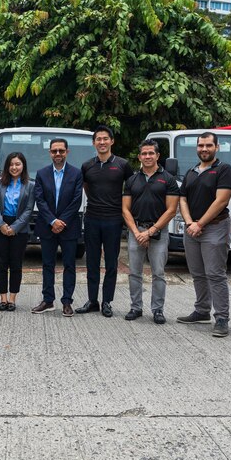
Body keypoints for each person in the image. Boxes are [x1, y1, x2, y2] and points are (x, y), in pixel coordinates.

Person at [176, 132, 231, 338]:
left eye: (208, 145)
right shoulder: (192, 172)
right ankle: (202, 311)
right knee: (198, 273)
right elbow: (182, 198)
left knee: (215, 274)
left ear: (216, 147)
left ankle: (222, 318)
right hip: (192, 229)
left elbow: (221, 201)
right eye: (201, 145)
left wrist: (200, 223)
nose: (204, 149)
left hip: (215, 228)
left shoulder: (224, 169)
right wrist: (190, 223)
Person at [78, 125, 134, 317]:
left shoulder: (123, 165)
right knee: (92, 262)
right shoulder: (87, 166)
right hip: (92, 218)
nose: (102, 142)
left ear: (112, 141)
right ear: (94, 143)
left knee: (111, 263)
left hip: (113, 220)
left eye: (105, 139)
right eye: (98, 139)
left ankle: (107, 301)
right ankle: (92, 300)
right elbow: (86, 187)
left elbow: (131, 188)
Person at [121, 139, 178, 324]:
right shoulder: (131, 180)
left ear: (157, 155)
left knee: (158, 273)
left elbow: (171, 210)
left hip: (158, 231)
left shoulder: (168, 179)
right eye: (144, 153)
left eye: (151, 153)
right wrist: (137, 232)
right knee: (134, 272)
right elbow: (125, 209)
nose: (147, 156)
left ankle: (158, 310)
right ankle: (135, 307)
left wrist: (151, 231)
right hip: (135, 230)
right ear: (139, 157)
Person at [31, 138, 84, 317]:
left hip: (69, 227)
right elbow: (40, 200)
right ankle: (48, 300)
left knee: (69, 265)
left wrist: (62, 221)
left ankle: (67, 302)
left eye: (61, 150)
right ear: (50, 153)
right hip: (47, 227)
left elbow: (77, 200)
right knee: (48, 264)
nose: (58, 154)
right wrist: (53, 221)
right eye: (54, 151)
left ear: (67, 152)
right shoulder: (41, 173)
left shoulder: (76, 174)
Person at [0, 152, 35, 311]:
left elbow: (29, 210)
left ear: (23, 166)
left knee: (16, 264)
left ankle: (13, 298)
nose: (14, 167)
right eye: (11, 164)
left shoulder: (30, 185)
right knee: (1, 263)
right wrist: (1, 224)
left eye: (18, 164)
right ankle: (3, 298)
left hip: (19, 229)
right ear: (7, 167)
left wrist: (14, 227)